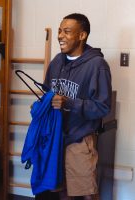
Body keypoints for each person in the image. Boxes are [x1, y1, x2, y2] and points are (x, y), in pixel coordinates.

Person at [43, 13, 112, 200]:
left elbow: (103, 107)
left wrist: (69, 102)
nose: (60, 36)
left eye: (66, 31)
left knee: (86, 193)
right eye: (59, 31)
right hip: (56, 138)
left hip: (79, 140)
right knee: (61, 191)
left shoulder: (98, 65)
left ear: (82, 35)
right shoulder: (56, 61)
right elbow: (47, 93)